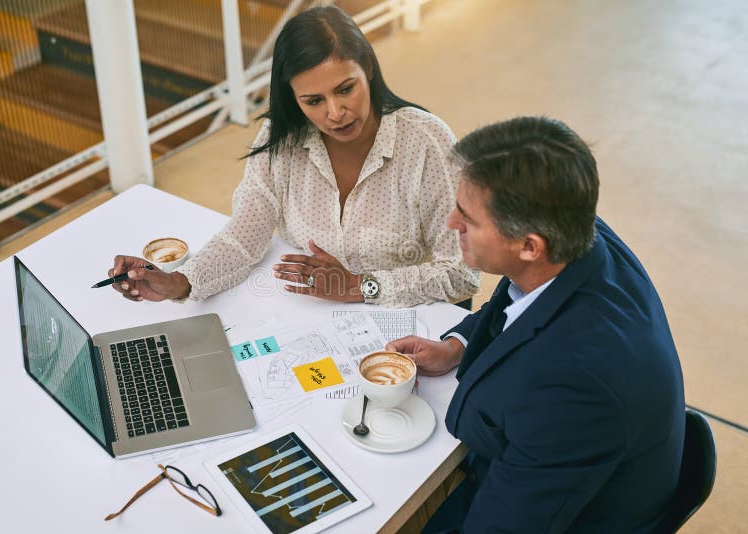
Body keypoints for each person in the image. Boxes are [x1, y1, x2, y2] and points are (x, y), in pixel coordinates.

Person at [387, 117, 685, 532]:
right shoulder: (576, 234)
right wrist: (457, 345)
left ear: (529, 246)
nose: (451, 222)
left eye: (468, 219)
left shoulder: (573, 389)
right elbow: (517, 301)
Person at [108, 5, 478, 307]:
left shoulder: (427, 143)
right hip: (308, 318)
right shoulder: (279, 138)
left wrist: (360, 286)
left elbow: (462, 273)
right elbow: (246, 232)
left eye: (345, 89)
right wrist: (180, 282)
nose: (335, 113)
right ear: (293, 98)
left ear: (367, 67)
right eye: (313, 101)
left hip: (408, 324)